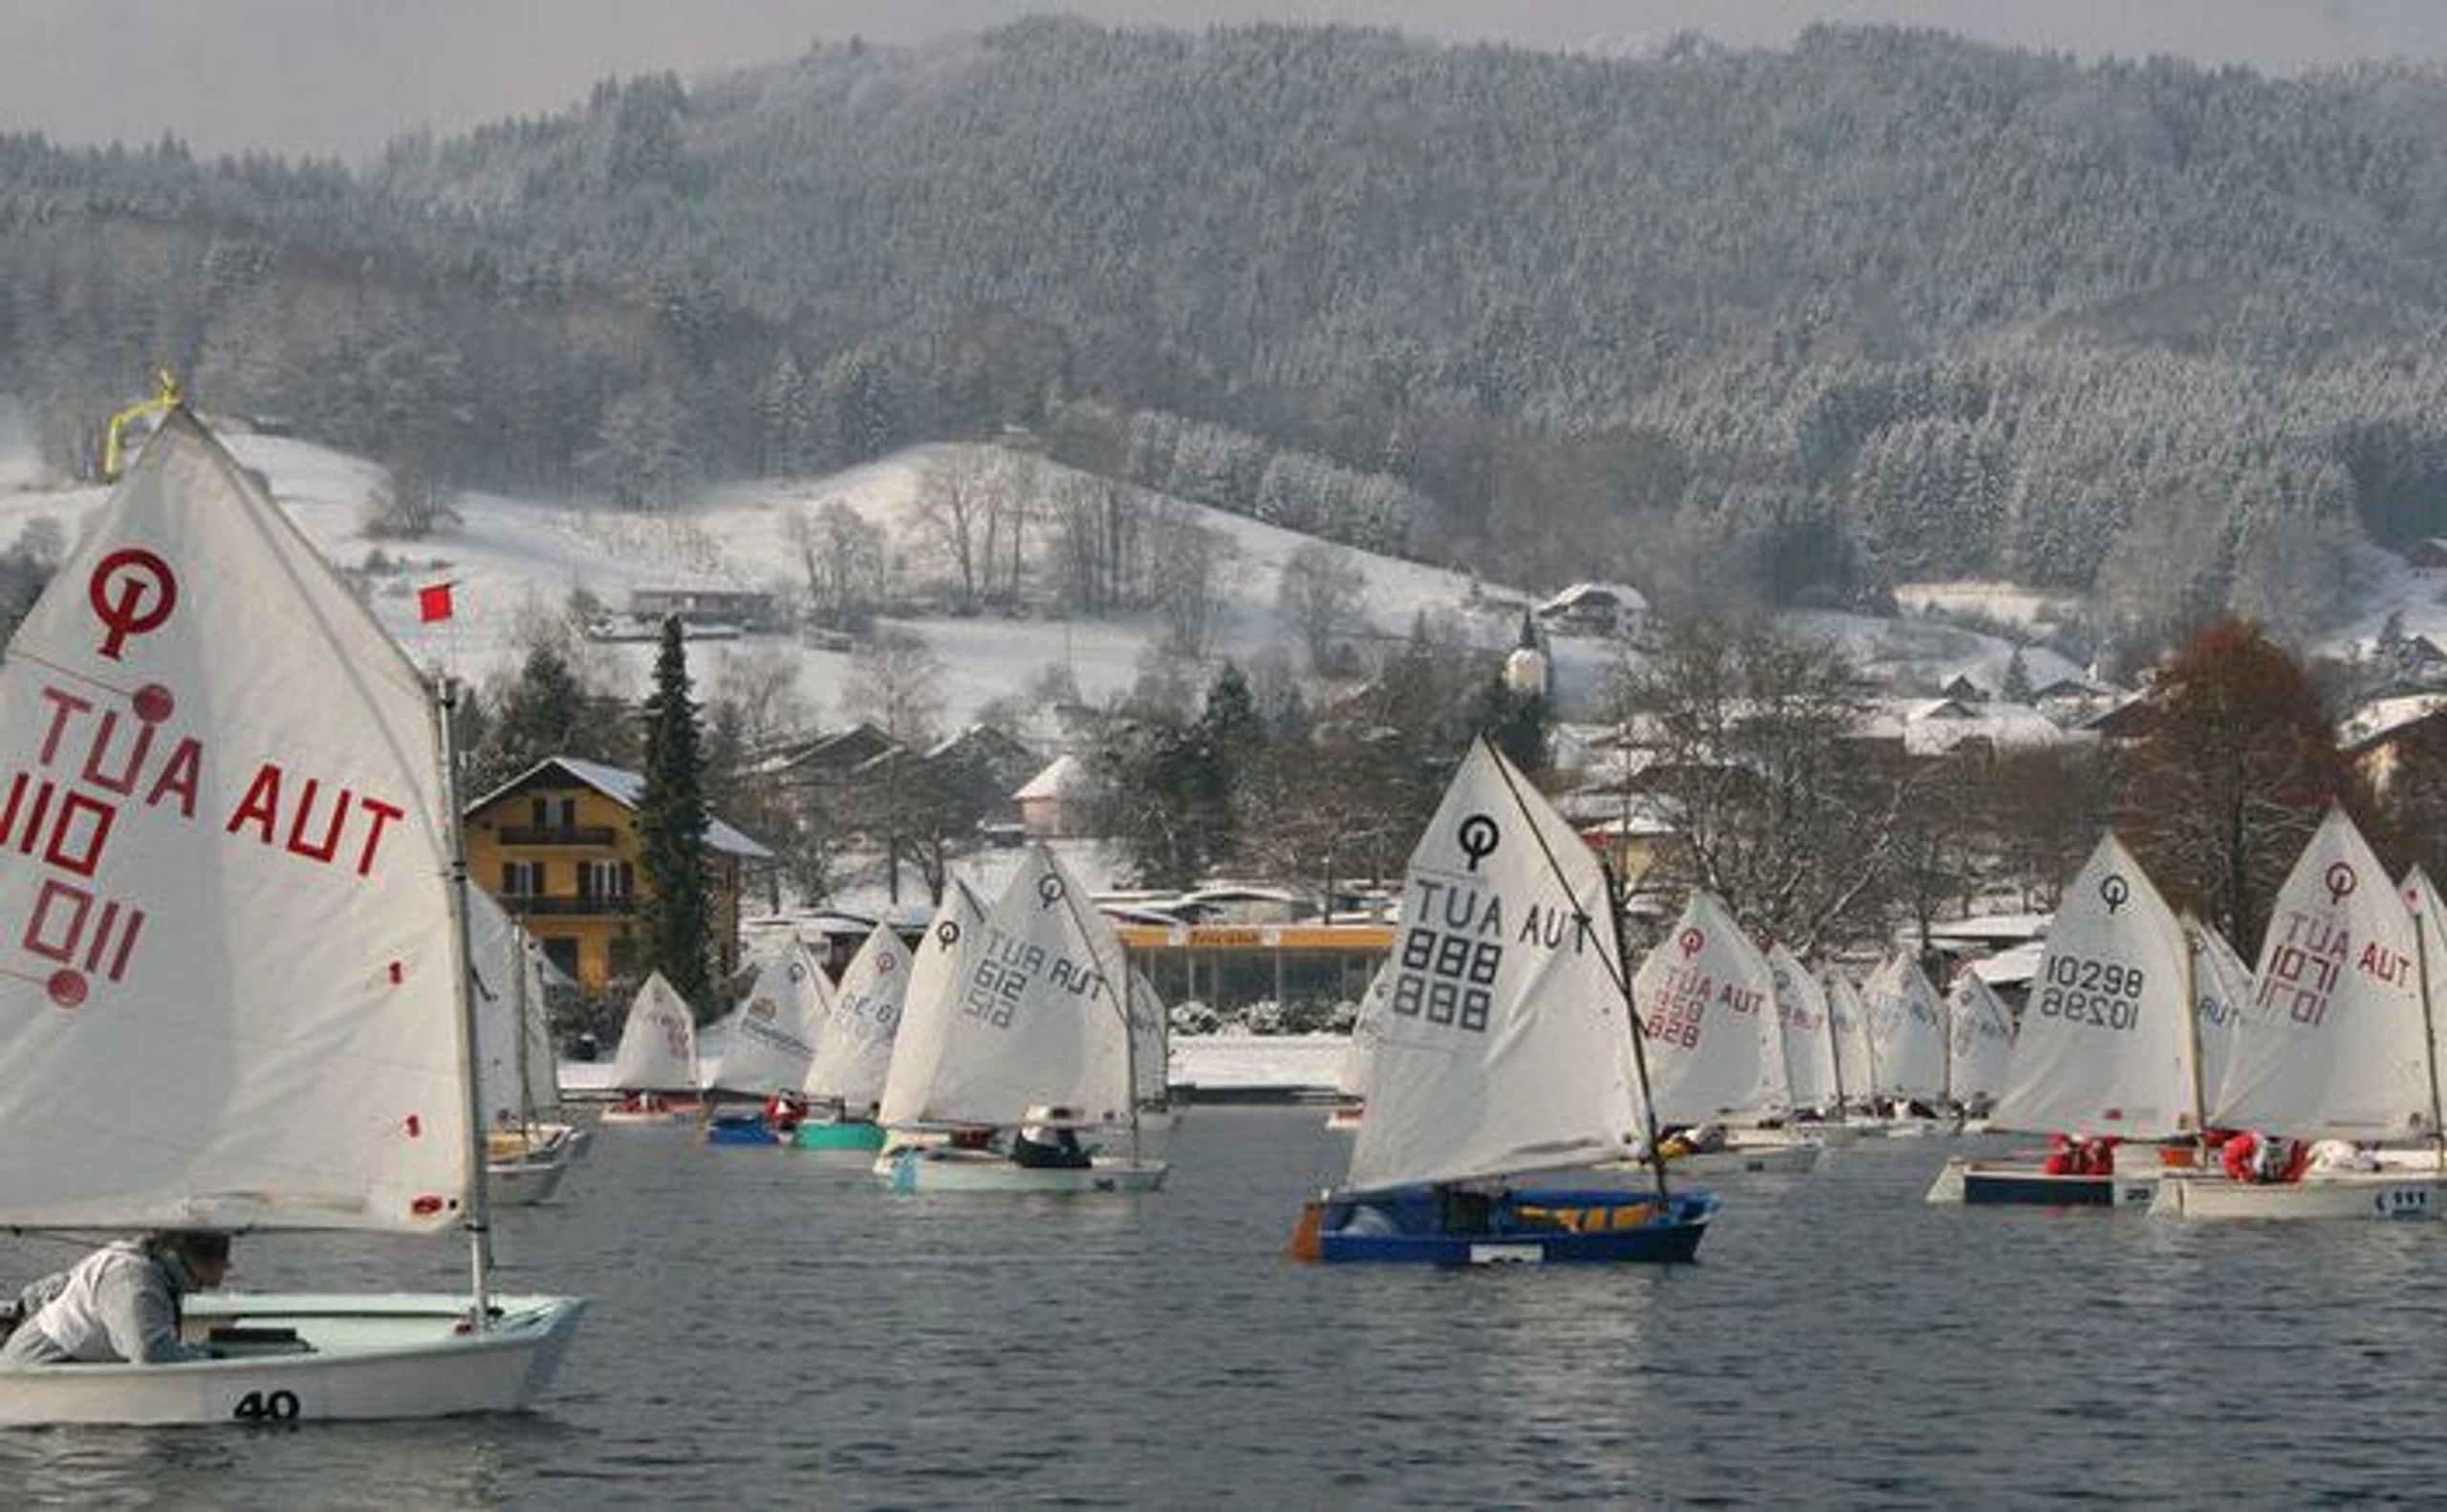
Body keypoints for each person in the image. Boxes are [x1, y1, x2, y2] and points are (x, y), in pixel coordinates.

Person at [1, 1230, 231, 1366]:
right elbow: (149, 1351)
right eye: (224, 1259)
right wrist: (209, 1359)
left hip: (68, 1360)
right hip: (39, 1364)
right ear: (198, 1258)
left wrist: (194, 1352)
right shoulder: (133, 1279)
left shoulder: (153, 1268)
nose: (229, 1268)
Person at [1010, 1114, 1092, 1170]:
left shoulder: (1032, 1107)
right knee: (1085, 1163)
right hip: (1039, 1155)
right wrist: (1080, 1158)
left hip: (1021, 1151)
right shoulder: (1060, 1108)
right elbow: (1069, 1142)